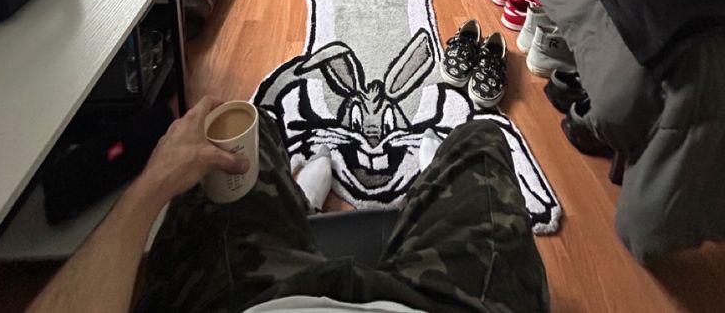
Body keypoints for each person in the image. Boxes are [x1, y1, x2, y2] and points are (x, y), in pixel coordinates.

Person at [27, 96, 549, 313]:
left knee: (252, 133)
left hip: (247, 299)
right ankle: (421, 196)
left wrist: (150, 184)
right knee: (480, 139)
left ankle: (299, 206)